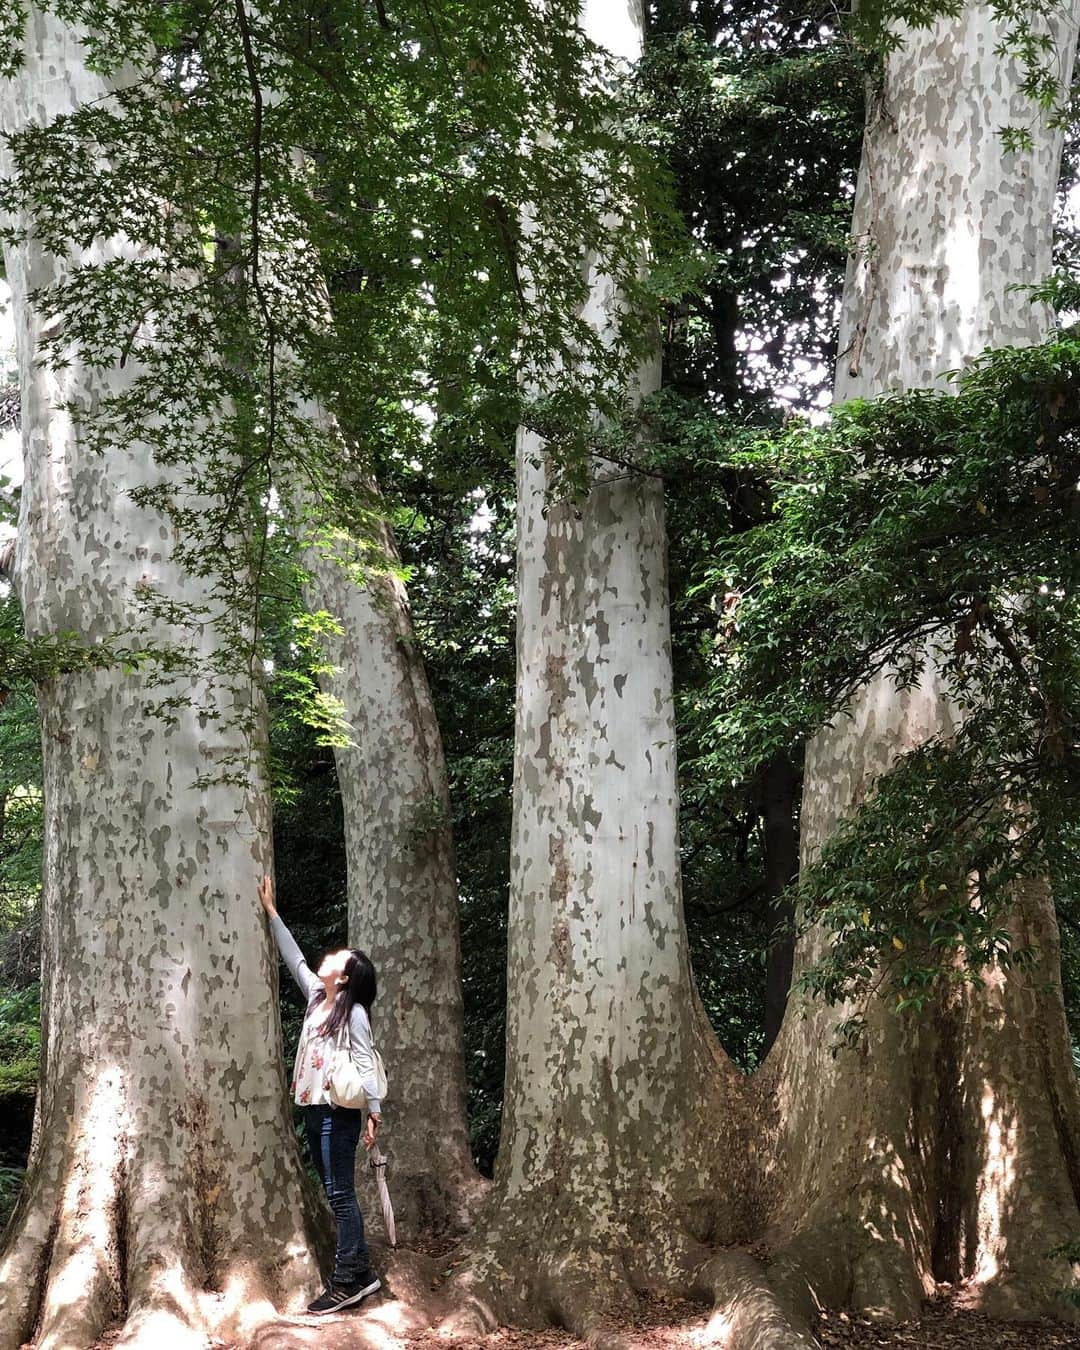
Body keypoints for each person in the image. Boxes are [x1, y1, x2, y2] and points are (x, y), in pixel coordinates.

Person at [258, 874, 383, 1315]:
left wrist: (374, 1113)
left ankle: (348, 1280)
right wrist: (272, 912)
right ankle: (363, 1272)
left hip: (337, 1114)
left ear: (346, 978)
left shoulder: (355, 1013)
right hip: (313, 1111)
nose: (330, 957)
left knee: (340, 1196)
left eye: (340, 958)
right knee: (336, 1193)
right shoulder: (315, 996)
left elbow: (367, 1063)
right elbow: (293, 958)